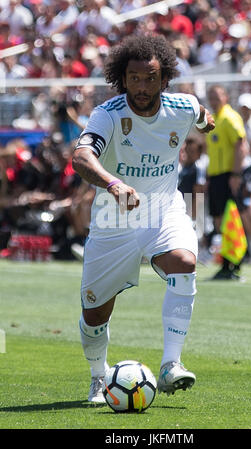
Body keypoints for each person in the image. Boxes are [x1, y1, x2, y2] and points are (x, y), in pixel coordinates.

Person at [71, 34, 215, 404]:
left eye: (150, 77)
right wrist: (113, 183)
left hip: (163, 210)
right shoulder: (109, 114)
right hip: (113, 220)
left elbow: (200, 115)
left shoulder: (182, 106)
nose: (142, 86)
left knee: (184, 261)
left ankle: (171, 365)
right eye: (134, 77)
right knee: (94, 314)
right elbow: (82, 157)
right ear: (122, 78)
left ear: (164, 78)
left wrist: (205, 120)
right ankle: (98, 376)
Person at [205, 84, 248, 280]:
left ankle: (234, 263)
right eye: (210, 96)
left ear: (226, 96)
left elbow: (240, 145)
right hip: (216, 176)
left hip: (227, 176)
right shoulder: (215, 119)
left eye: (216, 95)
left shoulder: (230, 118)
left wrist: (236, 175)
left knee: (229, 219)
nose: (213, 99)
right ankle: (226, 262)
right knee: (219, 220)